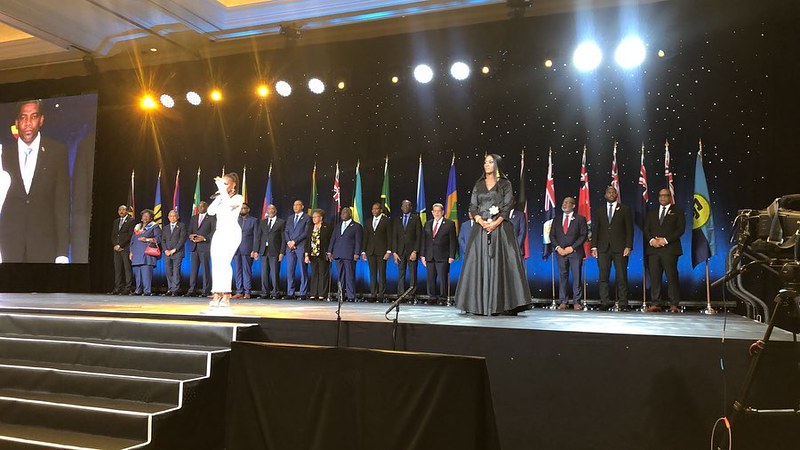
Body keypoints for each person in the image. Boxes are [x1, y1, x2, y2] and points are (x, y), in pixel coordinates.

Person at [454, 154, 532, 315]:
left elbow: (508, 205)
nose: (486, 164)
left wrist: (495, 223)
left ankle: (503, 305)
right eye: (485, 162)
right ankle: (477, 304)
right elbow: (473, 206)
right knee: (477, 262)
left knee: (501, 263)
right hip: (480, 228)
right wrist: (480, 221)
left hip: (500, 228)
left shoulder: (505, 184)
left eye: (490, 162)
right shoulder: (478, 184)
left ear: (497, 165)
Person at [0, 100, 69, 263]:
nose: (28, 123)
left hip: (44, 247)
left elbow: (62, 204)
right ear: (17, 122)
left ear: (41, 120)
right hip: (9, 247)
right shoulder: (4, 154)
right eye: (23, 117)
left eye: (34, 116)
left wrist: (62, 252)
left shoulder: (57, 152)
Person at [591, 186, 633, 310]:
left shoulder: (625, 209)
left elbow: (629, 230)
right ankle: (604, 302)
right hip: (603, 248)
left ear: (616, 195)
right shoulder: (600, 210)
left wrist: (628, 246)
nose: (611, 194)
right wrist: (594, 247)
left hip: (620, 248)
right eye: (609, 192)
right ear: (605, 195)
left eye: (613, 192)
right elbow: (596, 229)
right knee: (603, 277)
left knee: (621, 276)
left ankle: (623, 303)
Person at [644, 189, 686, 313]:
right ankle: (655, 303)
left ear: (670, 197)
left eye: (665, 195)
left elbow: (680, 229)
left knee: (671, 277)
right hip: (654, 250)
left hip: (670, 249)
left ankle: (673, 304)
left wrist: (665, 240)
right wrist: (652, 240)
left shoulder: (677, 211)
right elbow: (646, 229)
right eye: (661, 195)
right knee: (655, 277)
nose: (663, 197)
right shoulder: (652, 213)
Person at [207, 173, 243, 307]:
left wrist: (222, 190)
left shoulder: (238, 198)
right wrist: (220, 195)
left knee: (224, 262)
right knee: (216, 263)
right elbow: (210, 211)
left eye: (226, 184)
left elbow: (229, 204)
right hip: (219, 232)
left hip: (231, 232)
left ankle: (227, 295)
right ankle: (217, 293)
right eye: (222, 184)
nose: (223, 186)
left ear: (233, 185)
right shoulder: (221, 198)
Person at [549, 197, 588, 309]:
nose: (564, 204)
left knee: (576, 277)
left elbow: (583, 235)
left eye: (567, 202)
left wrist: (572, 248)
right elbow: (552, 235)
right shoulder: (556, 219)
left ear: (573, 205)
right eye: (564, 202)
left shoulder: (580, 219)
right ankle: (563, 301)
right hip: (561, 253)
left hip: (575, 252)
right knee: (562, 277)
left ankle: (577, 302)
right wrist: (558, 248)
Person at [421, 203, 457, 304]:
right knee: (430, 278)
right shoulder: (428, 223)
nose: (437, 213)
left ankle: (442, 298)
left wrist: (451, 255)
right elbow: (424, 240)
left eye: (439, 211)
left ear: (442, 212)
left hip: (443, 256)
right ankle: (432, 297)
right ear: (432, 212)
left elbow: (453, 241)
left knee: (442, 278)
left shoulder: (449, 224)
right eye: (435, 211)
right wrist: (423, 255)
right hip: (429, 255)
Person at [327, 207, 362, 302]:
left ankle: (351, 296)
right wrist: (330, 251)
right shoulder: (338, 225)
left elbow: (358, 241)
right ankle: (341, 295)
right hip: (338, 253)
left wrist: (357, 253)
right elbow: (333, 239)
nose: (343, 214)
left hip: (349, 254)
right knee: (340, 276)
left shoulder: (356, 226)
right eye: (342, 213)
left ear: (350, 214)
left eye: (345, 213)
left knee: (350, 275)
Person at [252, 204, 285, 299]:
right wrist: (255, 250)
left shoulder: (281, 222)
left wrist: (282, 252)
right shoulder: (263, 222)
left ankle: (275, 293)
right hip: (263, 250)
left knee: (274, 273)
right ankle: (264, 292)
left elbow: (283, 239)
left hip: (275, 251)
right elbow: (258, 237)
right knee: (264, 273)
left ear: (275, 211)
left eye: (272, 209)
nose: (270, 210)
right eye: (269, 209)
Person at [362, 202, 392, 301]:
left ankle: (381, 295)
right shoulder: (368, 222)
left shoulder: (386, 221)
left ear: (381, 210)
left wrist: (388, 251)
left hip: (382, 251)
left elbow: (389, 236)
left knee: (382, 273)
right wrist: (363, 251)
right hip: (370, 251)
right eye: (373, 209)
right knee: (372, 273)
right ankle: (373, 294)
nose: (374, 210)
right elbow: (365, 237)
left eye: (376, 209)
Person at [392, 199, 422, 296]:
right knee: (401, 273)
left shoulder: (416, 218)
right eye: (404, 205)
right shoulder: (397, 219)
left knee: (412, 273)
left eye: (407, 205)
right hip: (400, 251)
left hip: (411, 251)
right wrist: (394, 252)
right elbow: (394, 236)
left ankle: (412, 294)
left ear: (411, 207)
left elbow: (419, 236)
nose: (405, 207)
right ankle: (401, 294)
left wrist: (415, 251)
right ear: (401, 207)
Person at [129, 209, 161, 295]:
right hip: (136, 253)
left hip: (147, 254)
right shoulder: (137, 227)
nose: (145, 218)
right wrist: (131, 251)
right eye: (144, 216)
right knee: (137, 274)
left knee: (146, 274)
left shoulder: (154, 226)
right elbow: (132, 240)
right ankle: (138, 290)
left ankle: (147, 291)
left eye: (147, 216)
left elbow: (158, 239)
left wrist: (146, 239)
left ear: (151, 218)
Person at [187, 201, 215, 297]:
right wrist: (191, 236)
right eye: (199, 206)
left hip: (205, 247)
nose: (200, 208)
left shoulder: (211, 217)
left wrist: (204, 238)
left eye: (203, 206)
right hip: (194, 247)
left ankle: (206, 290)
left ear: (207, 207)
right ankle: (192, 290)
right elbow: (189, 231)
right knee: (193, 270)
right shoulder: (194, 218)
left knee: (205, 269)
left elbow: (213, 231)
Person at [284, 200, 310, 298]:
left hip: (301, 247)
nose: (295, 207)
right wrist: (288, 242)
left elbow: (306, 232)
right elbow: (286, 231)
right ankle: (290, 292)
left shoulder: (307, 217)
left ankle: (303, 293)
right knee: (290, 270)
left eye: (298, 205)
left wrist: (294, 241)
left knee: (303, 270)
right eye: (294, 205)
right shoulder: (290, 218)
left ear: (302, 206)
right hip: (290, 247)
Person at [304, 209, 332, 300]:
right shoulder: (311, 227)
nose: (314, 219)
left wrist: (330, 252)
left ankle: (322, 294)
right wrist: (306, 255)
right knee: (314, 273)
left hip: (323, 254)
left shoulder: (327, 227)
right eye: (313, 217)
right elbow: (307, 241)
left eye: (316, 217)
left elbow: (330, 240)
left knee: (323, 273)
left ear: (321, 218)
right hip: (312, 254)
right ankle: (313, 293)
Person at [233, 202, 258, 299]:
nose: (242, 210)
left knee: (246, 270)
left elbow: (256, 236)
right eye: (241, 208)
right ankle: (239, 291)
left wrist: (254, 250)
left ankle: (247, 291)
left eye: (244, 208)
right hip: (236, 249)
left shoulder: (253, 220)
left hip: (247, 248)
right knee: (237, 270)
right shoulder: (235, 219)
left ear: (248, 210)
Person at [162, 209, 187, 296]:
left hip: (177, 252)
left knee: (176, 271)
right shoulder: (165, 228)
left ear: (178, 217)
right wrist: (165, 250)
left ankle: (175, 289)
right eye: (171, 216)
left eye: (174, 216)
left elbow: (182, 239)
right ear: (168, 217)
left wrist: (175, 249)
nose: (172, 218)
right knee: (168, 271)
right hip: (167, 253)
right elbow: (163, 240)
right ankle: (170, 288)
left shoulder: (182, 226)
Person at [111, 205, 134, 294]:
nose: (121, 211)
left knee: (127, 268)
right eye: (120, 209)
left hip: (125, 248)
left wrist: (120, 245)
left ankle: (128, 288)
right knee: (117, 269)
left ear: (127, 211)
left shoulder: (131, 220)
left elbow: (129, 235)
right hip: (116, 249)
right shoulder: (116, 221)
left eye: (123, 210)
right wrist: (115, 245)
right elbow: (113, 235)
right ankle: (117, 287)